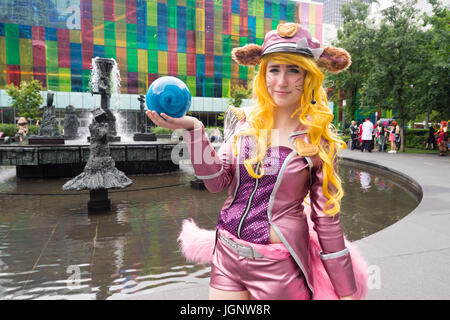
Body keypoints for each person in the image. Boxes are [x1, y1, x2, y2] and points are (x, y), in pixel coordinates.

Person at [148, 23, 364, 300]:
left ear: (308, 76)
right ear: (264, 74)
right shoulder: (244, 123)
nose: (281, 81)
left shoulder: (318, 142)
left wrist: (347, 292)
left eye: (293, 70)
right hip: (226, 254)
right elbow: (216, 183)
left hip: (278, 265)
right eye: (274, 69)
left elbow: (326, 221)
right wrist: (193, 129)